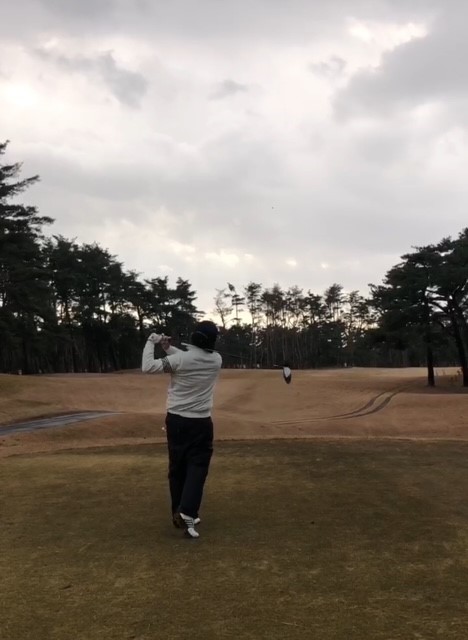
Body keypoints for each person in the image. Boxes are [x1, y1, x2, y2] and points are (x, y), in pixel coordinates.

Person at [141, 320, 222, 539]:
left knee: (177, 468)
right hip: (202, 423)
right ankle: (186, 511)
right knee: (197, 467)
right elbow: (188, 358)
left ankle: (181, 510)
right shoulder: (216, 359)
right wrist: (168, 348)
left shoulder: (182, 360)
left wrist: (152, 341)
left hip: (177, 422)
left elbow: (148, 366)